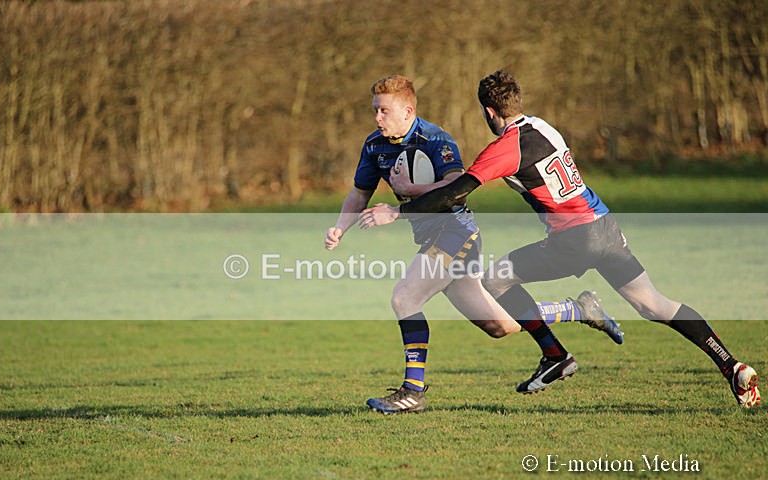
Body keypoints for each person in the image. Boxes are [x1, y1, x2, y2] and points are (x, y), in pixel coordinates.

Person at [360, 69, 760, 408]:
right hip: (605, 227)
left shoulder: (504, 149)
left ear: (488, 112)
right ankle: (732, 366)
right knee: (654, 304)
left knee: (495, 278)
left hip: (574, 239)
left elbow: (454, 192)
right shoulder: (541, 126)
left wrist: (397, 211)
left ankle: (555, 354)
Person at [326, 75, 622, 414]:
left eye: (384, 111)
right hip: (432, 237)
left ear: (407, 111)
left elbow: (456, 186)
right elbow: (359, 193)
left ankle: (412, 392)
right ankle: (579, 310)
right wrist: (340, 228)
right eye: (375, 111)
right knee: (499, 325)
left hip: (455, 232)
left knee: (405, 297)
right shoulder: (374, 145)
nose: (377, 118)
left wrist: (405, 199)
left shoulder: (435, 140)